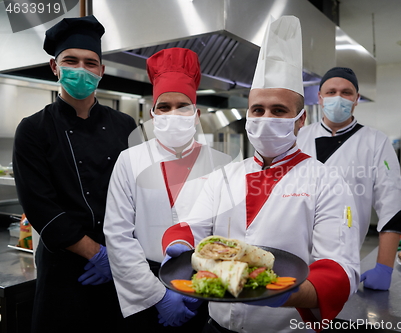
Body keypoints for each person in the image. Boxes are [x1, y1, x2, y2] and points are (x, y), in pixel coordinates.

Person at [161, 16, 360, 333]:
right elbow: (189, 226)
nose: (266, 118)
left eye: (278, 110)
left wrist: (285, 294)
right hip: (216, 325)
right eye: (258, 110)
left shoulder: (328, 183)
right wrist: (181, 251)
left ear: (300, 119)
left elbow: (339, 270)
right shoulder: (223, 177)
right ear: (248, 115)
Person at [12, 15, 137, 332]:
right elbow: (40, 205)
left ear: (101, 71)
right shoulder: (33, 129)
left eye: (90, 63)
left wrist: (121, 257)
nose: (81, 69)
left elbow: (138, 195)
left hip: (119, 263)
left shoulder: (125, 126)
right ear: (55, 67)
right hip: (64, 268)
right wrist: (96, 254)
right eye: (71, 61)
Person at [103, 47, 231, 332]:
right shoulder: (131, 160)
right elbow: (118, 235)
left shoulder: (220, 166)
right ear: (152, 113)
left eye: (182, 106)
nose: (173, 114)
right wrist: (158, 296)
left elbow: (226, 235)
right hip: (145, 286)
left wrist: (202, 286)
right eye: (164, 107)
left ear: (196, 114)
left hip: (202, 283)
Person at [296, 67, 401, 291]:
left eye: (346, 92)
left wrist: (384, 268)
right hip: (292, 253)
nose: (338, 98)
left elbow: (393, 207)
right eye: (330, 92)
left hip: (342, 257)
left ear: (356, 99)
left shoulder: (375, 142)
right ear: (319, 97)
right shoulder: (299, 137)